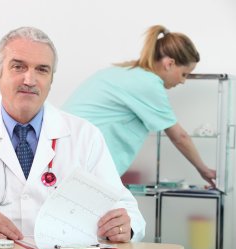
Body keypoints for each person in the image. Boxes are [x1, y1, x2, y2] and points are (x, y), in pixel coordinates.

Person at [0, 27, 145, 243]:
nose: (30, 79)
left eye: (42, 70)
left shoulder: (85, 137)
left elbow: (126, 208)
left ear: (51, 80)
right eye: (18, 66)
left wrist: (126, 226)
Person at [63, 25, 216, 187]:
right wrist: (204, 171)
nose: (183, 81)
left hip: (67, 154)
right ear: (169, 64)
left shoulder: (125, 71)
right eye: (184, 74)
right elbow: (179, 136)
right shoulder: (148, 83)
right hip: (81, 163)